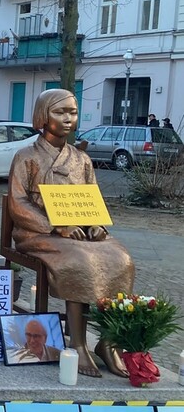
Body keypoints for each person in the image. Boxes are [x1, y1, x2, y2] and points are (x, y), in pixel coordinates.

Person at [7, 89, 134, 377]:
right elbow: (17, 203)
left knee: (121, 258)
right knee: (81, 261)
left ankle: (108, 341)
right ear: (43, 115)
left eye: (72, 112)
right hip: (39, 232)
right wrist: (56, 226)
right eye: (59, 112)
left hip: (81, 232)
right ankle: (77, 343)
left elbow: (91, 197)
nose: (67, 119)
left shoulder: (82, 160)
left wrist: (95, 225)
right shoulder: (27, 156)